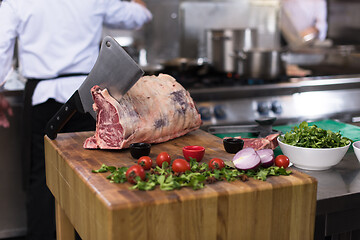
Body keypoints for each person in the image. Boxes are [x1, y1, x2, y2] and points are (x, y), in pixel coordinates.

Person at [0, 0, 152, 239]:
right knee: (92, 177)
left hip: (43, 99)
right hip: (88, 98)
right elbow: (139, 17)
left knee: (42, 178)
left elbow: (1, 43)